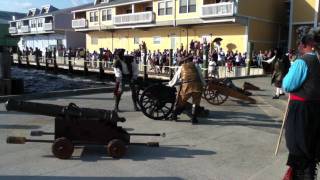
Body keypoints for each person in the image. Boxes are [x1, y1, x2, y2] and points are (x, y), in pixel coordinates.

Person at [282, 26, 320, 180]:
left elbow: (287, 85)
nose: (298, 47)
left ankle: (302, 175)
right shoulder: (318, 61)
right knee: (311, 145)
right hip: (316, 109)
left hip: (302, 110)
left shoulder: (302, 62)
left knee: (299, 146)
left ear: (307, 45)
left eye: (300, 45)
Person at [168, 55, 206, 124]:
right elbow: (200, 76)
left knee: (181, 101)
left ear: (186, 60)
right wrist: (204, 84)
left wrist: (170, 84)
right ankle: (194, 119)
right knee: (196, 102)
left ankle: (174, 115)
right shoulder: (196, 66)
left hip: (186, 86)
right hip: (197, 86)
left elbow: (176, 77)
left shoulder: (182, 67)